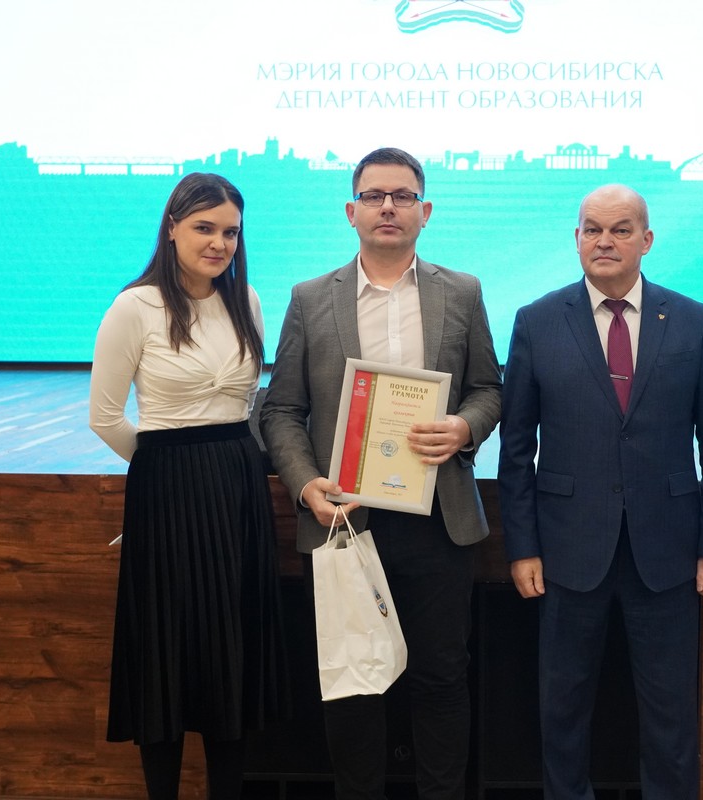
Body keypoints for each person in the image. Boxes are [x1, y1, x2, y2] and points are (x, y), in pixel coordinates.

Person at [259, 147, 502, 800]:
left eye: (402, 196)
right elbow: (280, 409)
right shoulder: (310, 299)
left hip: (438, 519)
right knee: (354, 685)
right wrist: (305, 483)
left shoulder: (463, 292)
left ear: (426, 211)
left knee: (442, 678)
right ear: (351, 211)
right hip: (343, 520)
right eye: (373, 196)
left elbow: (488, 389)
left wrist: (464, 427)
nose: (388, 207)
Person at [498, 184, 703, 799]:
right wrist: (522, 547)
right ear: (577, 238)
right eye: (593, 229)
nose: (605, 241)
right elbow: (516, 447)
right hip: (566, 549)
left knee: (670, 714)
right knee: (563, 707)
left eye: (621, 229)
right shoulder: (536, 320)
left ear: (646, 240)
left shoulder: (692, 320)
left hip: (668, 551)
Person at [89, 173, 286, 800]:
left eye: (230, 232)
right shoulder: (134, 307)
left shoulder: (246, 300)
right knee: (166, 648)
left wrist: (215, 466)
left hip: (238, 484)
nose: (219, 243)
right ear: (172, 227)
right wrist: (164, 468)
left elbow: (247, 404)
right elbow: (104, 417)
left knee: (233, 646)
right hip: (167, 489)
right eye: (204, 227)